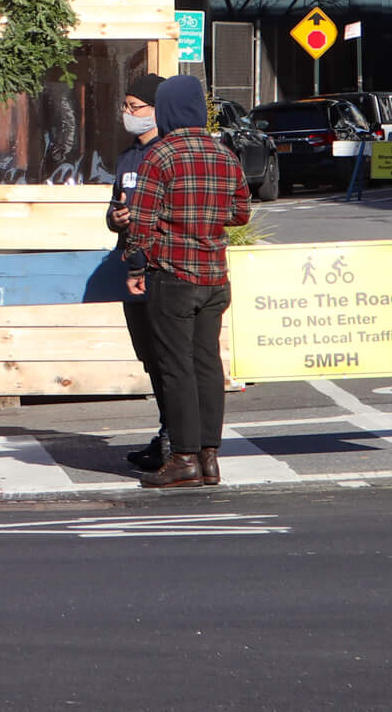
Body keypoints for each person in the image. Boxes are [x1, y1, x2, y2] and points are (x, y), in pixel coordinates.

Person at [124, 74, 251, 488]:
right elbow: (241, 213)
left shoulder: (159, 156)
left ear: (169, 110)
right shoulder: (224, 154)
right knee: (207, 364)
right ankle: (209, 456)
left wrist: (136, 263)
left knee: (175, 366)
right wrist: (206, 218)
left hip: (173, 275)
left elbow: (140, 222)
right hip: (215, 276)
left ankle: (182, 458)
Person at [107, 72, 169, 472]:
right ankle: (167, 428)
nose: (128, 114)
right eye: (125, 107)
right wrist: (116, 217)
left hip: (161, 269)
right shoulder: (128, 157)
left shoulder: (167, 153)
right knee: (148, 356)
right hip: (130, 265)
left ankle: (175, 438)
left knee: (169, 358)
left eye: (136, 107)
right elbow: (114, 207)